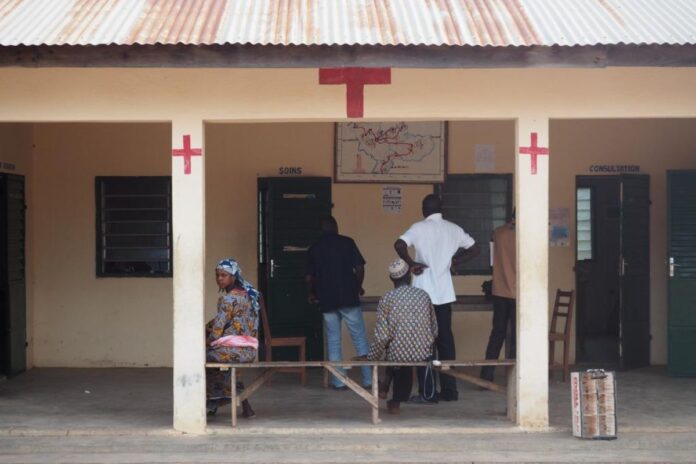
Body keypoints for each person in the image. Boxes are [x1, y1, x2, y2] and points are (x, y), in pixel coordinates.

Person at [394, 194, 480, 402]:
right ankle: (450, 391)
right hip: (444, 294)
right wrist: (454, 262)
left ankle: (428, 392)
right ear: (441, 208)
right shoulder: (453, 229)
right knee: (446, 342)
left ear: (424, 208)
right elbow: (475, 249)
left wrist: (411, 263)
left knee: (425, 343)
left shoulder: (419, 228)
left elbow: (399, 244)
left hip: (423, 295)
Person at [306, 216, 372, 390]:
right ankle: (368, 380)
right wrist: (358, 287)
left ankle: (338, 381)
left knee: (334, 341)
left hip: (327, 300)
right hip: (349, 298)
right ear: (336, 227)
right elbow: (359, 267)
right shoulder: (348, 242)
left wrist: (313, 293)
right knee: (359, 339)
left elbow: (308, 277)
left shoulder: (315, 248)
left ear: (321, 230)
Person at [366, 259, 438, 414]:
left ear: (392, 279)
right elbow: (435, 330)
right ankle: (390, 393)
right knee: (401, 348)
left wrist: (372, 357)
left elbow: (382, 336)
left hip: (398, 353)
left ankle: (394, 399)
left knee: (395, 351)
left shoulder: (387, 298)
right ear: (409, 276)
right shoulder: (423, 295)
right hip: (423, 353)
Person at [205, 258, 258, 418]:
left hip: (235, 351)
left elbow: (217, 331)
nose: (219, 278)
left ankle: (211, 404)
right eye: (218, 275)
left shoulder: (228, 299)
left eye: (224, 275)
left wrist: (206, 341)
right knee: (226, 368)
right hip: (248, 350)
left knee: (202, 357)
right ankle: (245, 407)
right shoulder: (248, 295)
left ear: (233, 277)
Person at [480, 213, 516, 382]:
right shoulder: (527, 236)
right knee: (517, 336)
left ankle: (487, 374)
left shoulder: (498, 233)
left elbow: (492, 260)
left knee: (497, 333)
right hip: (519, 293)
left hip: (500, 291)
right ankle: (514, 375)